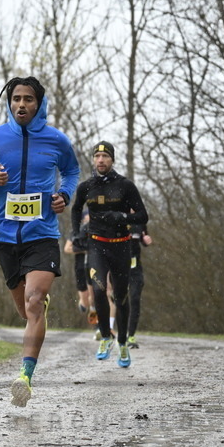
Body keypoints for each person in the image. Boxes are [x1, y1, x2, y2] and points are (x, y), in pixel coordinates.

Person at [0, 75, 80, 407]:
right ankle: (37, 311)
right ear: (9, 102)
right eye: (16, 99)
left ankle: (25, 377)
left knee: (34, 300)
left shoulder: (56, 140)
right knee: (25, 309)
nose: (21, 105)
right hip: (5, 237)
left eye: (28, 99)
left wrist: (64, 195)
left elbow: (72, 172)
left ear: (39, 103)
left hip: (42, 234)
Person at [70, 141, 149, 368]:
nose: (101, 160)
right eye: (97, 156)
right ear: (93, 160)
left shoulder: (125, 185)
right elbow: (76, 209)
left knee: (121, 298)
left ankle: (122, 342)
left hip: (121, 246)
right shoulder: (86, 187)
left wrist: (122, 217)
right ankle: (106, 336)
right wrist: (77, 234)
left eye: (105, 156)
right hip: (97, 246)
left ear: (112, 160)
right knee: (98, 288)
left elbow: (143, 216)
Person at [63, 207, 96, 331]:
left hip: (93, 266)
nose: (89, 218)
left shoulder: (96, 231)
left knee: (93, 297)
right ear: (83, 219)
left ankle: (96, 325)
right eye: (87, 216)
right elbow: (67, 249)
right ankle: (83, 304)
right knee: (85, 299)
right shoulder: (76, 232)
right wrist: (83, 249)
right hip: (80, 266)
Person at [127, 224, 152, 348]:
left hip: (135, 267)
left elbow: (144, 238)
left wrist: (146, 240)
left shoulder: (139, 221)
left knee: (135, 299)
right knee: (119, 300)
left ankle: (131, 336)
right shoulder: (116, 216)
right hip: (118, 266)